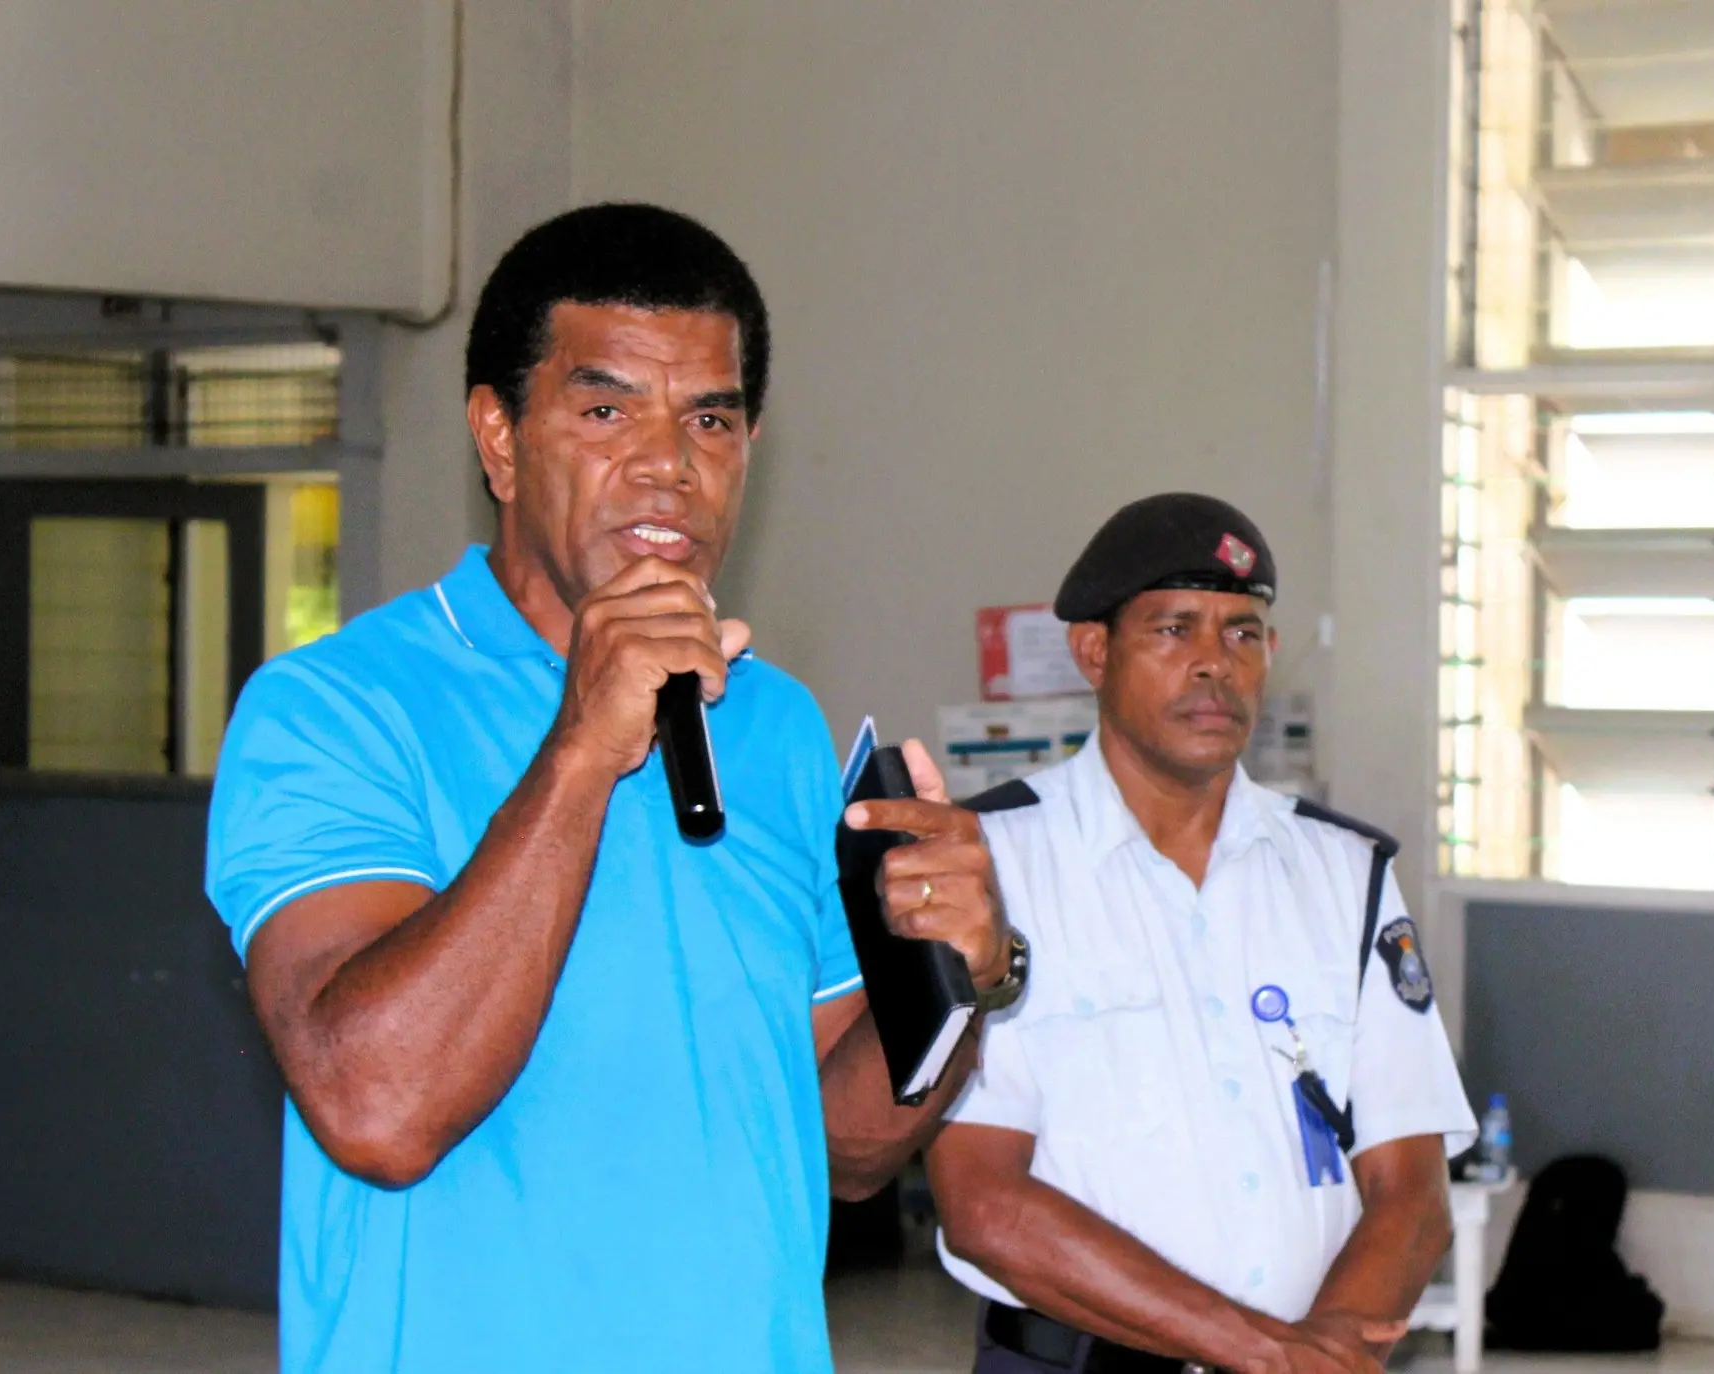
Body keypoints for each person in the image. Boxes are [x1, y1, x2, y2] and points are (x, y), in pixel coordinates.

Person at [205, 203, 1022, 1372]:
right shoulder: (336, 709)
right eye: (605, 411)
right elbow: (375, 1109)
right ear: (498, 439)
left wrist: (955, 982)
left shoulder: (777, 725)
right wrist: (583, 747)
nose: (667, 466)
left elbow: (844, 1149)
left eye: (710, 420)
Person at [927, 493, 1478, 1374]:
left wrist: (1319, 1354)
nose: (1215, 663)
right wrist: (1265, 1355)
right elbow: (985, 1206)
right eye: (1174, 630)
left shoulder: (1345, 873)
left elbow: (1411, 1188)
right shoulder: (984, 869)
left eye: (1241, 633)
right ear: (1094, 652)